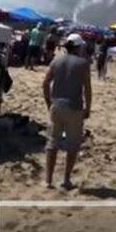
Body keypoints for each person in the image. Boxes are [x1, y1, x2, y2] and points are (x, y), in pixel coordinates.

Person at [42, 33, 93, 190]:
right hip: (74, 107)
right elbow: (87, 90)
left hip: (56, 105)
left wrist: (49, 102)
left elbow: (45, 83)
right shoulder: (83, 63)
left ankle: (48, 180)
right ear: (77, 47)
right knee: (72, 146)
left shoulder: (56, 60)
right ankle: (66, 180)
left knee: (52, 143)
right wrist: (88, 109)